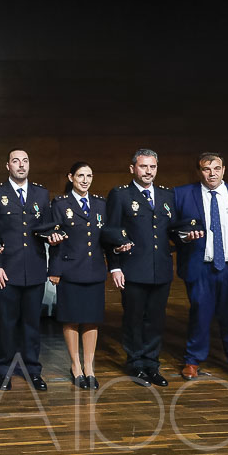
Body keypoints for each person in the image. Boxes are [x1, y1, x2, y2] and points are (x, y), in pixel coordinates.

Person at [173, 152, 228, 385]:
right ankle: (192, 361)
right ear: (199, 171)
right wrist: (185, 236)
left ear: (224, 170)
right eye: (206, 169)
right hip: (200, 265)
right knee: (199, 313)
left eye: (216, 168)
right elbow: (172, 229)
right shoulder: (181, 194)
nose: (212, 173)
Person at [0, 149, 61, 392]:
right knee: (6, 324)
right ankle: (4, 370)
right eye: (16, 161)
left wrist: (54, 239)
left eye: (25, 161)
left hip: (35, 268)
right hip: (7, 270)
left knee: (32, 325)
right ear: (8, 165)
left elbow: (46, 228)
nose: (21, 165)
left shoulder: (41, 192)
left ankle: (33, 370)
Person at [49, 162, 130, 390]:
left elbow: (107, 239)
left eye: (89, 176)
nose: (85, 180)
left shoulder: (100, 204)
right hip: (70, 270)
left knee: (91, 319)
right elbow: (55, 240)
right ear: (71, 177)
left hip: (94, 269)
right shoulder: (61, 203)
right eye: (80, 175)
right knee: (71, 318)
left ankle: (89, 366)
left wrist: (116, 256)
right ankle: (75, 365)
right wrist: (54, 270)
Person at [107, 148, 178, 387]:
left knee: (156, 320)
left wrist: (185, 237)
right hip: (133, 269)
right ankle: (136, 364)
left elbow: (172, 231)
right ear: (132, 168)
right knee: (134, 319)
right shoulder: (121, 195)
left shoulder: (167, 196)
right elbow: (110, 232)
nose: (148, 171)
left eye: (152, 167)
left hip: (161, 269)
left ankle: (152, 365)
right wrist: (115, 267)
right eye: (143, 166)